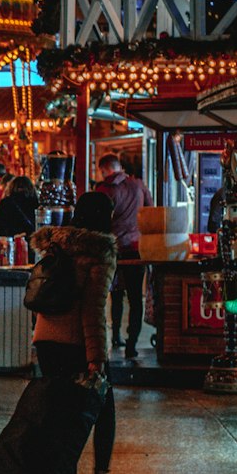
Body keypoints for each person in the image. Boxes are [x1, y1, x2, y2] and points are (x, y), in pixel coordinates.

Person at [30, 190, 120, 474]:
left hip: (48, 341)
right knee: (102, 411)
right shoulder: (100, 252)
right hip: (79, 345)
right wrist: (96, 358)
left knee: (61, 418)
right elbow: (94, 311)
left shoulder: (56, 244)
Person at [96, 154, 153, 360]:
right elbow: (150, 210)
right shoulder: (138, 185)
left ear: (105, 169)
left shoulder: (105, 190)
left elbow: (100, 221)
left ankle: (116, 337)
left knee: (115, 294)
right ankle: (132, 343)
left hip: (112, 248)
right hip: (136, 248)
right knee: (136, 298)